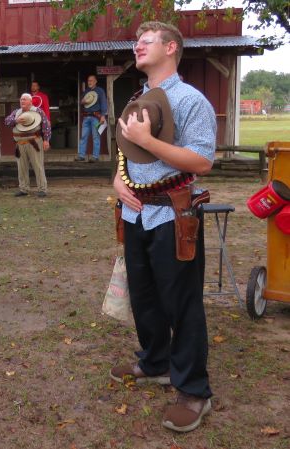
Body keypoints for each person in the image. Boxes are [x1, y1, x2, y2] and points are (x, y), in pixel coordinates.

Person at [111, 21, 216, 433]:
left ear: (171, 48)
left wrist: (148, 140)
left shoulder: (191, 100)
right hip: (136, 213)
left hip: (174, 214)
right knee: (144, 295)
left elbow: (202, 161)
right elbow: (126, 156)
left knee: (181, 303)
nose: (137, 46)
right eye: (137, 41)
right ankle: (156, 363)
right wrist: (117, 181)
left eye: (147, 41)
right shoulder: (137, 99)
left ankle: (193, 391)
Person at [4, 93, 51, 198]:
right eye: (21, 99)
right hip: (20, 143)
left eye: (24, 99)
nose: (22, 101)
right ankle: (23, 189)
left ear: (30, 101)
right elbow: (6, 121)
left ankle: (42, 189)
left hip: (34, 142)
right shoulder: (16, 112)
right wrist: (15, 120)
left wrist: (46, 140)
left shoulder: (38, 111)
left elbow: (46, 125)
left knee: (38, 165)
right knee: (21, 167)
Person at [77, 75, 107, 162]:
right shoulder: (86, 91)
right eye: (88, 81)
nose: (89, 82)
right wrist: (82, 102)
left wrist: (103, 116)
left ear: (95, 81)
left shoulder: (100, 91)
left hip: (96, 117)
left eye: (91, 80)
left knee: (95, 137)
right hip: (86, 117)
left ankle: (95, 156)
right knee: (83, 137)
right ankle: (81, 156)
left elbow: (103, 103)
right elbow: (81, 102)